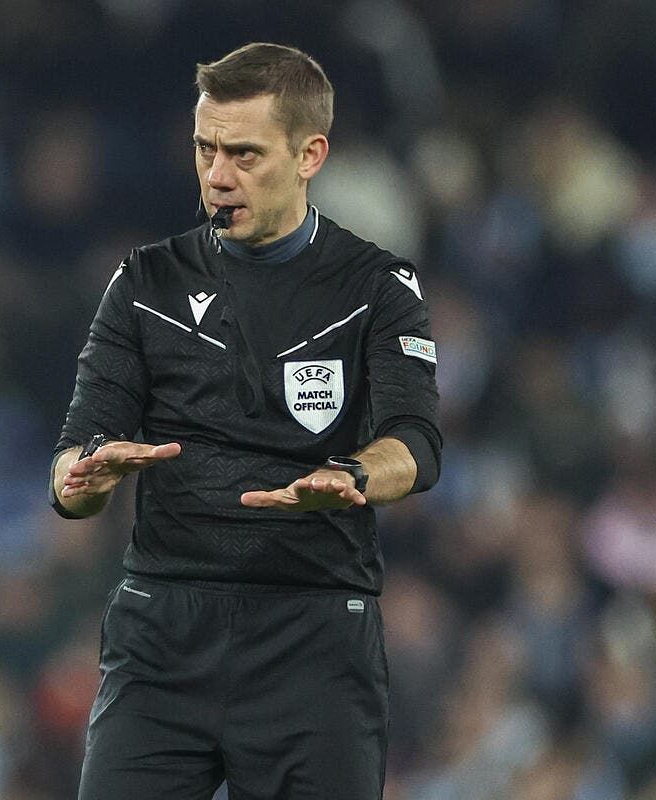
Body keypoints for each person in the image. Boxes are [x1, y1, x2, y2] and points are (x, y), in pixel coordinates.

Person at [49, 42, 441, 800]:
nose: (217, 176)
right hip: (163, 631)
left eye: (245, 154)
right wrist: (80, 477)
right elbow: (77, 461)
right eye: (206, 149)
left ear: (309, 155)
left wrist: (354, 475)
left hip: (314, 633)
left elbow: (417, 443)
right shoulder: (143, 282)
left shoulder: (377, 287)